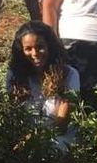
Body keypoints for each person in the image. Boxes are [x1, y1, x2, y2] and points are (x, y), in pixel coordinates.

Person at [6, 21, 79, 150]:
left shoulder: (69, 74)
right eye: (28, 49)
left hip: (58, 139)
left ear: (50, 46)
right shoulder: (14, 76)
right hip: (24, 139)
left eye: (40, 47)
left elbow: (62, 123)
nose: (35, 53)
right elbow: (14, 117)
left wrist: (34, 141)